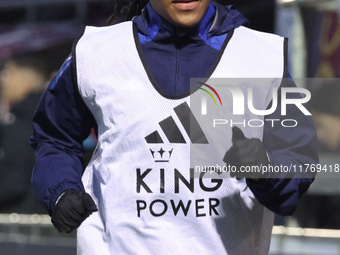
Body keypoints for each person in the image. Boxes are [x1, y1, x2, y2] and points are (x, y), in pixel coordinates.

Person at [30, 0, 319, 254]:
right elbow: (54, 137)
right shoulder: (95, 53)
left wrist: (263, 171)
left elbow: (297, 160)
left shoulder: (260, 56)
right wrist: (60, 190)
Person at [0, 53, 48, 213]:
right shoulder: (51, 116)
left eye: (8, 72)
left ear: (25, 78)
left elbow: (14, 181)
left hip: (21, 224)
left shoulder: (24, 123)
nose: (2, 79)